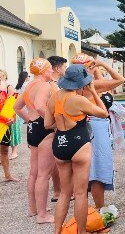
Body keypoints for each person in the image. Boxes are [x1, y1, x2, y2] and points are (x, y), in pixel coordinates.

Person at [44, 64, 109, 234]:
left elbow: (46, 124)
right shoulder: (79, 100)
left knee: (65, 193)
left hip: (60, 144)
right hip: (79, 144)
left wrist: (60, 122)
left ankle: (57, 231)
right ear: (81, 83)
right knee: (80, 194)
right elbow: (104, 113)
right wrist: (94, 91)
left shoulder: (54, 98)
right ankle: (80, 232)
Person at [71, 53, 124, 209]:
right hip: (96, 126)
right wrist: (102, 64)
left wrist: (95, 68)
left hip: (78, 126)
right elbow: (120, 79)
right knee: (97, 170)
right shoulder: (92, 85)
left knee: (82, 170)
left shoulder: (70, 86)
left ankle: (84, 210)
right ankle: (99, 208)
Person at [14, 58, 56, 223]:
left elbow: (17, 107)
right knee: (44, 175)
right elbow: (39, 106)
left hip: (33, 128)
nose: (52, 71)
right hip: (44, 130)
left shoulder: (29, 85)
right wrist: (54, 123)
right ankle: (42, 215)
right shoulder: (44, 86)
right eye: (50, 68)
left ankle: (33, 209)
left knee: (34, 172)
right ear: (44, 70)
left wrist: (29, 120)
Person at [47, 56, 68, 203]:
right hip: (57, 126)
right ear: (57, 68)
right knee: (60, 160)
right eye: (64, 67)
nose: (65, 70)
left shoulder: (51, 84)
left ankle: (58, 191)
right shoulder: (53, 86)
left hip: (52, 125)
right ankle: (60, 191)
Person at [0, 69, 18, 182]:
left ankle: (7, 175)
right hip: (3, 120)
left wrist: (13, 118)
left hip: (4, 123)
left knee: (4, 151)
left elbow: (14, 104)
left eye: (1, 76)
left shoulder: (8, 88)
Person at [8, 71, 24, 160]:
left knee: (13, 132)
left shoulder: (8, 86)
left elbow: (12, 100)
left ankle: (14, 152)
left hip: (10, 111)